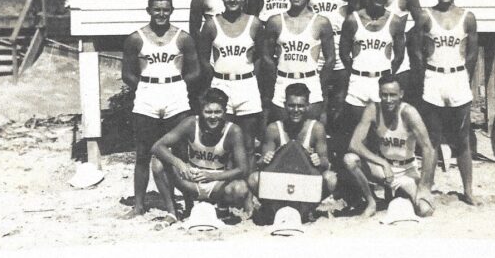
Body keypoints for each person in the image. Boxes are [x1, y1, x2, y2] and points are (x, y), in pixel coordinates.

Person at [120, 0, 201, 218]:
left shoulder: (182, 38)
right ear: (149, 10)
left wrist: (179, 85)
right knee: (144, 152)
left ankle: (189, 203)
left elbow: (195, 71)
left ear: (172, 11)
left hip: (175, 91)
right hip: (148, 93)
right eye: (157, 9)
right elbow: (127, 74)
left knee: (181, 152)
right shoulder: (136, 38)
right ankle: (138, 205)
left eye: (166, 9)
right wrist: (146, 86)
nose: (161, 14)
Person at [411, 0, 478, 205]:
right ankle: (426, 188)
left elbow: (472, 54)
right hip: (433, 77)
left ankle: (468, 190)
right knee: (431, 138)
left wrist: (463, 79)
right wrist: (423, 78)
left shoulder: (467, 16)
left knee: (462, 138)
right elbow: (417, 51)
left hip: (457, 78)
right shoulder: (425, 16)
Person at [151, 88, 252, 220]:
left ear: (225, 112)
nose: (213, 116)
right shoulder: (192, 123)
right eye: (208, 112)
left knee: (240, 188)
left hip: (217, 183)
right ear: (201, 111)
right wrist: (179, 163)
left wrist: (212, 176)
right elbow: (157, 146)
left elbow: (242, 169)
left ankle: (222, 206)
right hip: (192, 180)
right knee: (157, 164)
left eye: (218, 112)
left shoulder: (233, 130)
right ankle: (172, 212)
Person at [343, 75, 436, 217]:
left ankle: (398, 193)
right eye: (384, 95)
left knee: (425, 210)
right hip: (383, 169)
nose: (388, 100)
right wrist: (383, 163)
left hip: (406, 170)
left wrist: (424, 186)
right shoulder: (373, 109)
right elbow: (354, 144)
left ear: (401, 94)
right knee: (350, 160)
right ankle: (371, 202)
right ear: (379, 94)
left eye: (393, 95)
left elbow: (428, 148)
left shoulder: (408, 113)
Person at [197, 0, 264, 166]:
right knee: (222, 140)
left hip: (246, 85)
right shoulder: (212, 24)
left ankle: (247, 188)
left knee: (248, 142)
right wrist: (215, 81)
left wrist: (252, 78)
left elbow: (260, 56)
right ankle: (223, 187)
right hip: (221, 84)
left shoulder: (255, 23)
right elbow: (203, 58)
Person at [248, 83, 338, 221]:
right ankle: (273, 208)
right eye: (291, 105)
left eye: (300, 106)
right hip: (280, 182)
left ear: (308, 106)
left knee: (330, 178)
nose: (296, 110)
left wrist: (319, 160)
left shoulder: (316, 128)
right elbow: (261, 165)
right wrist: (266, 158)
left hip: (304, 183)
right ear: (285, 105)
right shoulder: (274, 128)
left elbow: (326, 162)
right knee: (254, 179)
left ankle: (308, 208)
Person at [261, 0, 335, 123]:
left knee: (309, 133)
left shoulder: (321, 22)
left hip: (310, 80)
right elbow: (266, 56)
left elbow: (330, 58)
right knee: (283, 135)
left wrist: (319, 84)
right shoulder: (275, 21)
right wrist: (277, 80)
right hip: (284, 80)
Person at [339, 0, 406, 141]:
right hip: (359, 82)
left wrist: (387, 75)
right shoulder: (353, 20)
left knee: (381, 134)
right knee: (356, 133)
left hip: (381, 83)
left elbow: (399, 56)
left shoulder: (395, 21)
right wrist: (355, 71)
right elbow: (343, 52)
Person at [357, 0, 423, 105]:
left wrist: (406, 37)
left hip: (398, 62)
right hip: (371, 61)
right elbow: (356, 21)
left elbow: (422, 23)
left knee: (395, 109)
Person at [247, 0, 302, 122]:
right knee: (266, 86)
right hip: (265, 36)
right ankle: (265, 132)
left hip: (289, 33)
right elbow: (252, 13)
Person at [309, 0, 356, 146]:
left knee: (339, 101)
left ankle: (337, 145)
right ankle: (317, 145)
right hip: (315, 50)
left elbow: (355, 22)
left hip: (338, 49)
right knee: (318, 101)